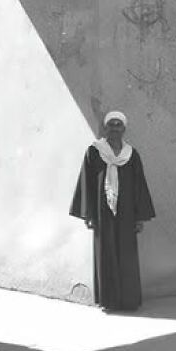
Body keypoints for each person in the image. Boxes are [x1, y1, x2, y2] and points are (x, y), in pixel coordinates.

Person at [70, 111, 156, 311]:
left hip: (126, 214)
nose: (115, 128)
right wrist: (88, 214)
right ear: (105, 128)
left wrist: (140, 216)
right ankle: (109, 301)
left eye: (119, 125)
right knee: (106, 253)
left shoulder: (131, 154)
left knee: (127, 255)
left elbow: (139, 186)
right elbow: (87, 184)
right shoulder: (94, 152)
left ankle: (128, 301)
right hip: (102, 213)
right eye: (111, 125)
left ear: (124, 129)